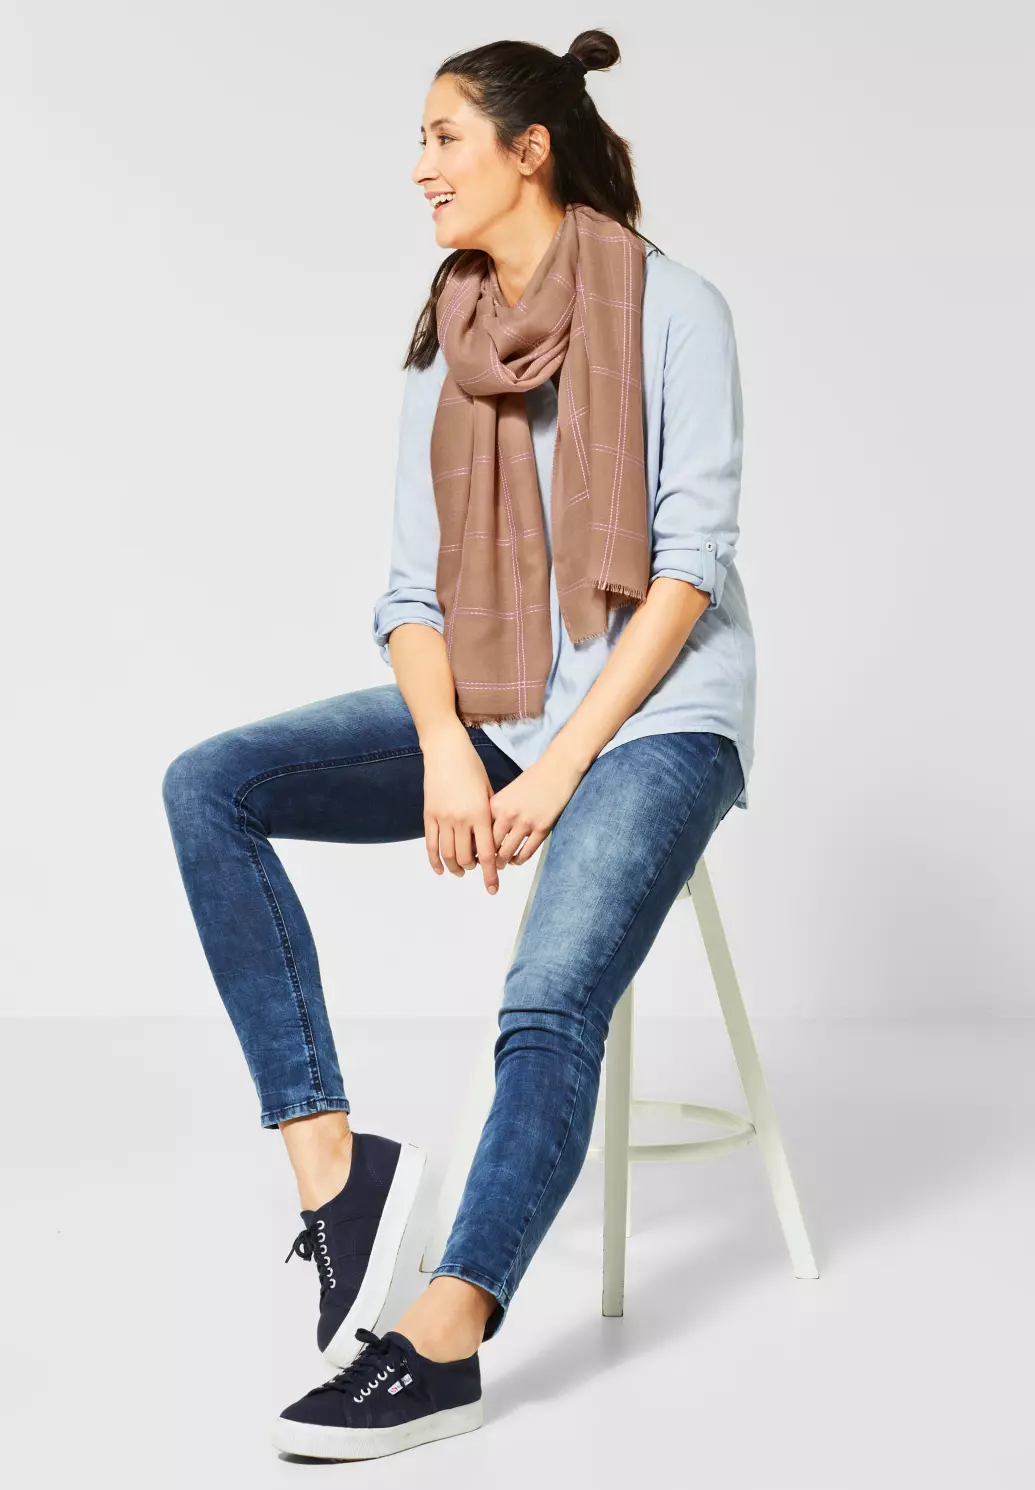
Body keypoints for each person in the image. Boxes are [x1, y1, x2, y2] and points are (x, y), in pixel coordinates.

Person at [161, 27, 756, 1463]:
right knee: (211, 785)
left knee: (546, 1000)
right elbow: (409, 595)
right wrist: (446, 744)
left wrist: (557, 767)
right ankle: (337, 1178)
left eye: (443, 137)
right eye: (419, 141)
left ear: (527, 150)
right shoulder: (451, 338)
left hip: (656, 720)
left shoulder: (673, 309)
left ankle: (444, 1336)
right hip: (494, 703)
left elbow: (688, 568)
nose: (420, 167)